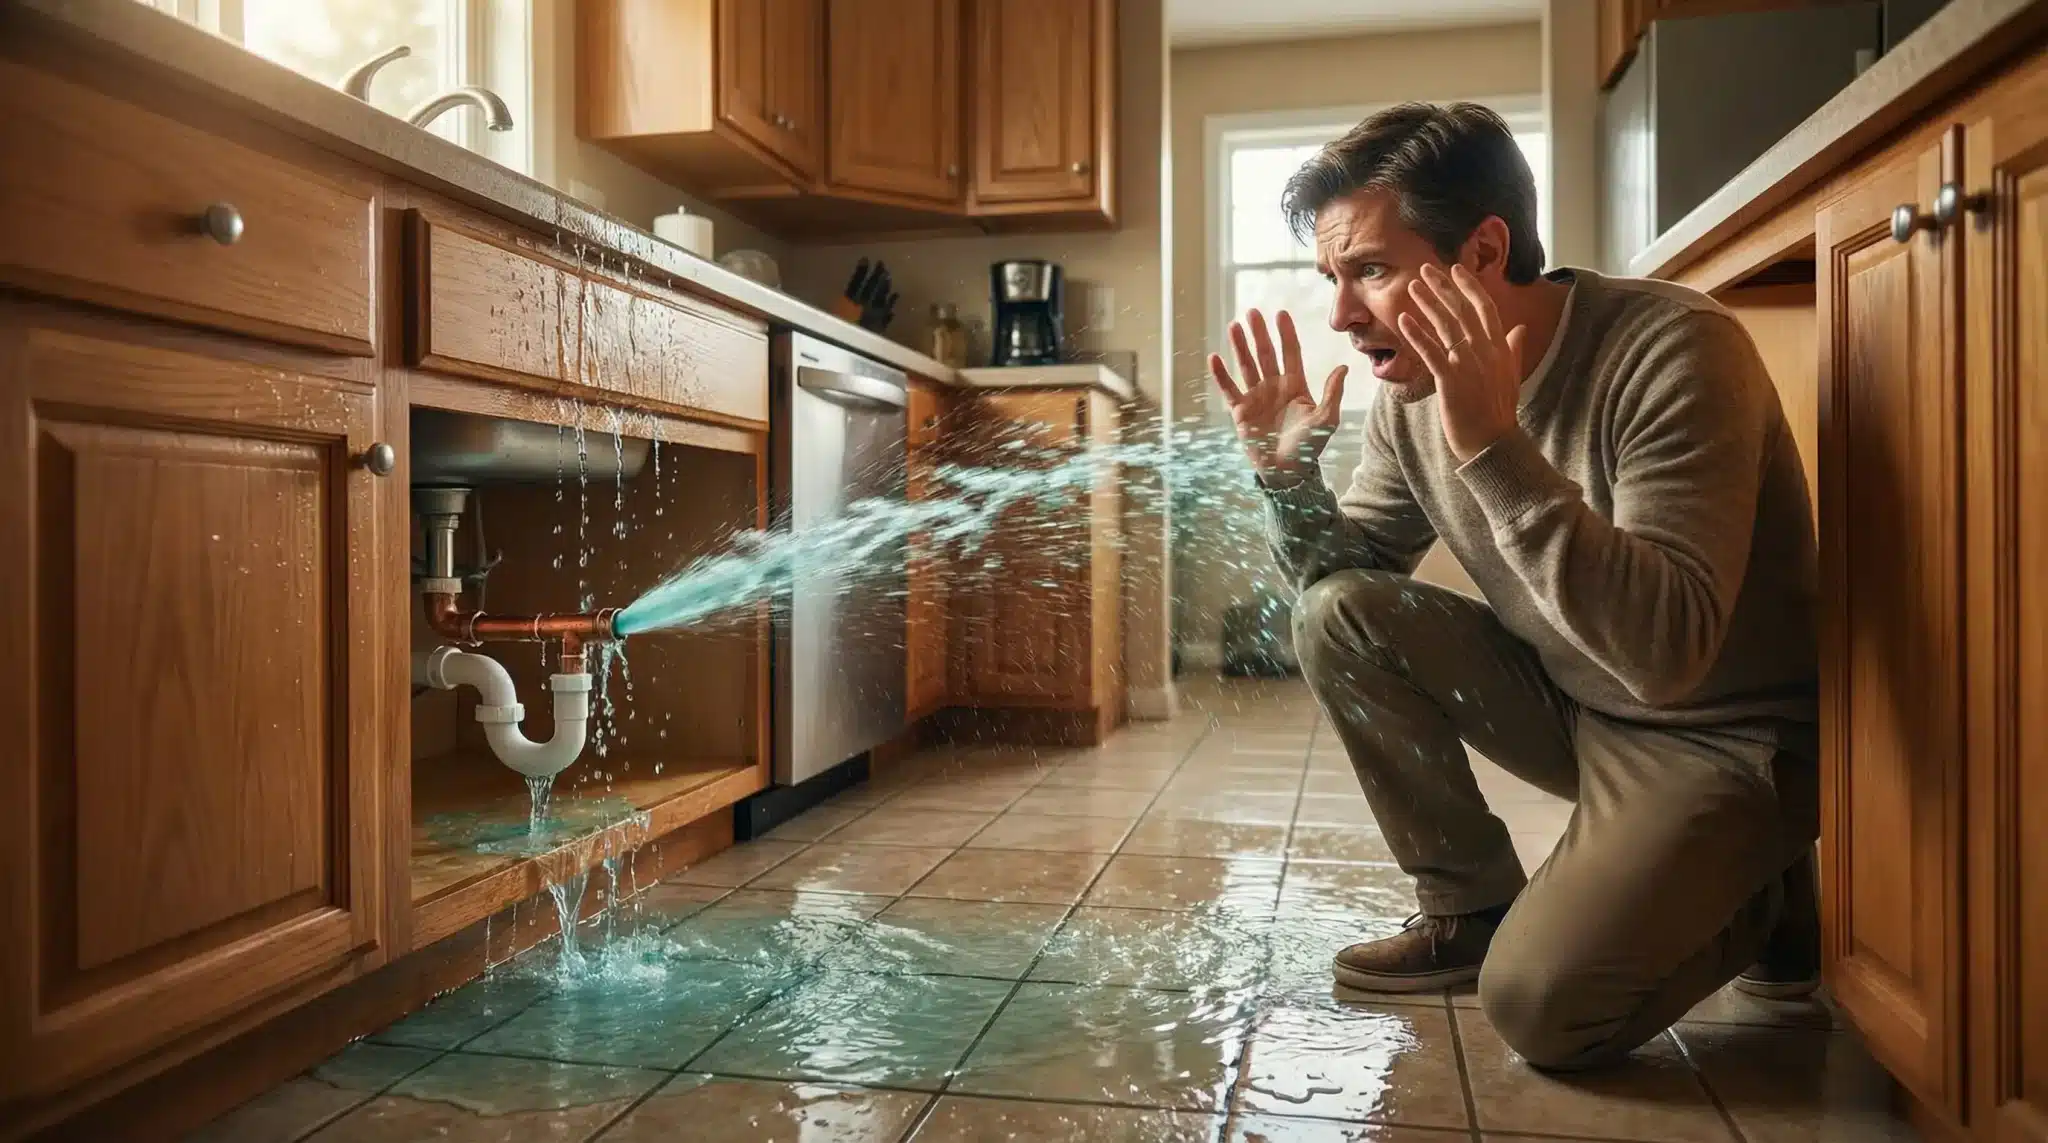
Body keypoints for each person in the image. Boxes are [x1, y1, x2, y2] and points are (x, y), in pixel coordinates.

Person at [1207, 101, 1820, 1072]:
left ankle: (1765, 887)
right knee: (1336, 612)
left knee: (1542, 1012)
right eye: (1332, 277)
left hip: (1726, 738)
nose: (1339, 314)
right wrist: (1288, 484)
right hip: (1582, 712)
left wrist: (1493, 446)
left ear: (1483, 252)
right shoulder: (1406, 404)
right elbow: (1344, 596)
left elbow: (1666, 656)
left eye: (1369, 269)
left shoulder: (1672, 349)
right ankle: (1470, 911)